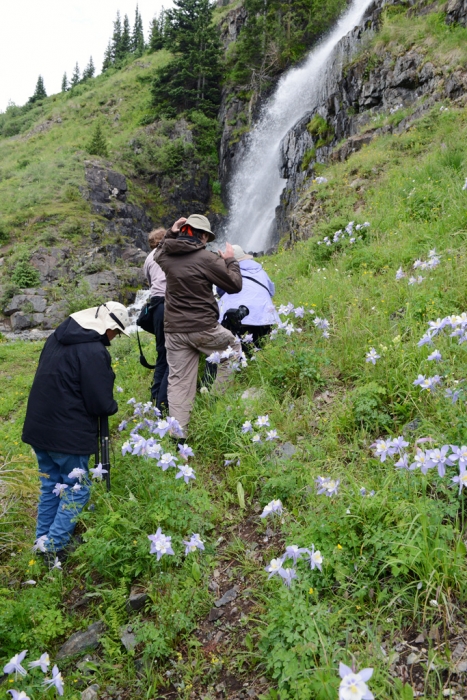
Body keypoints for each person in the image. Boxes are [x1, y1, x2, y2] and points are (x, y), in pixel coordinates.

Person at [22, 301, 130, 563]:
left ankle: (42, 541)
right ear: (108, 326)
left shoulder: (57, 337)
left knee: (51, 486)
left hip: (39, 426)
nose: (114, 339)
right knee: (76, 488)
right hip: (67, 433)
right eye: (116, 332)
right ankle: (53, 548)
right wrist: (112, 405)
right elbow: (100, 403)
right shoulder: (93, 351)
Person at [155, 214, 242, 434]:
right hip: (203, 327)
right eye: (206, 237)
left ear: (183, 231)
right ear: (202, 235)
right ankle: (215, 403)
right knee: (232, 350)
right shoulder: (207, 258)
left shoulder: (166, 257)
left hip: (174, 330)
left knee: (179, 382)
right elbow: (234, 285)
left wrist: (170, 233)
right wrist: (230, 260)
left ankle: (178, 436)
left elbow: (158, 252)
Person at [217, 244, 280, 350]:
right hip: (264, 316)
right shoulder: (260, 270)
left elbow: (220, 292)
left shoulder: (228, 273)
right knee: (259, 344)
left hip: (236, 317)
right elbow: (271, 291)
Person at [143, 228, 169, 412]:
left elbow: (149, 282)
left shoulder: (148, 259)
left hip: (155, 306)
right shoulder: (169, 252)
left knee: (162, 352)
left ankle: (155, 397)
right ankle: (164, 400)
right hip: (171, 304)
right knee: (174, 352)